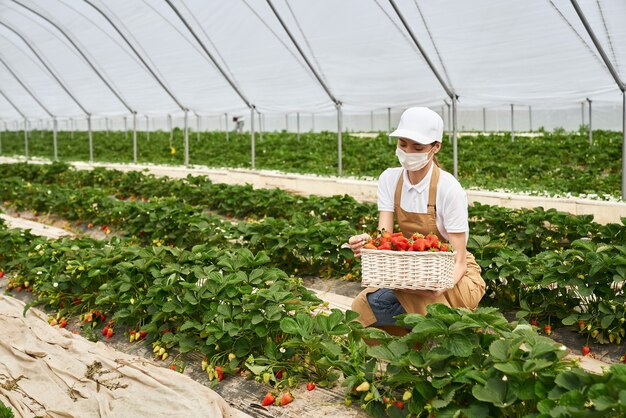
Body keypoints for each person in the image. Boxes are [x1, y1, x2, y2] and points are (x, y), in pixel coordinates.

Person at [348, 107, 485, 337]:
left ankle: (443, 342)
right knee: (360, 309)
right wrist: (367, 244)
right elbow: (385, 239)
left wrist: (437, 288)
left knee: (421, 313)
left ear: (435, 147)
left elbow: (459, 260)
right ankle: (396, 359)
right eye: (403, 144)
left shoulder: (448, 189)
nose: (408, 152)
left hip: (450, 275)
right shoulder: (389, 179)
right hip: (410, 271)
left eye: (418, 147)